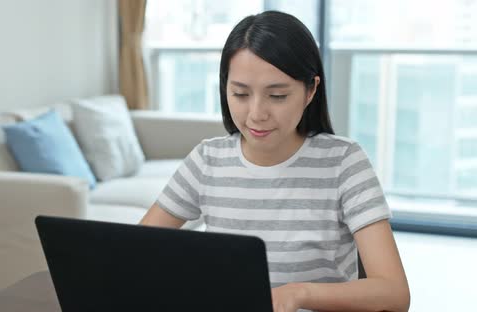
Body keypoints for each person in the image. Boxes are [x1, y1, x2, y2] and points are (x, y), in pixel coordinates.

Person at [140, 10, 410, 312]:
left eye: (277, 95)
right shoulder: (207, 160)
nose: (257, 113)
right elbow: (135, 252)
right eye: (240, 94)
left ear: (311, 91)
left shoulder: (344, 162)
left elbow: (394, 293)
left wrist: (299, 293)